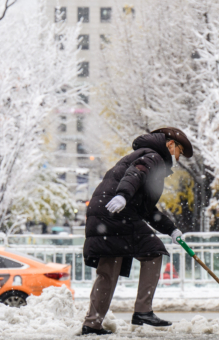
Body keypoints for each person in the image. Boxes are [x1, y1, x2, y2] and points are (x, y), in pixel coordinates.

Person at [81, 127, 193, 336]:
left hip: (103, 212)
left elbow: (146, 209)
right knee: (154, 251)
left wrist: (171, 229)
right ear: (170, 144)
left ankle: (92, 323)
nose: (178, 158)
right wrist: (123, 195)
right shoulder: (153, 156)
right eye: (179, 152)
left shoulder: (144, 155)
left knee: (109, 269)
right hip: (116, 212)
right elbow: (136, 173)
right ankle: (143, 310)